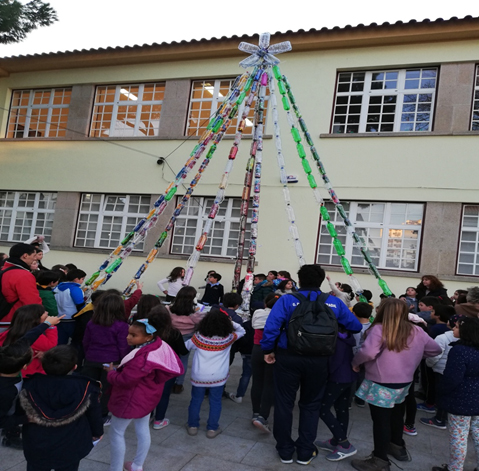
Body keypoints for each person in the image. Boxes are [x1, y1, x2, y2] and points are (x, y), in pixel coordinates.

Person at [261, 264, 362, 465]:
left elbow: (271, 327)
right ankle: (305, 451)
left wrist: (268, 350)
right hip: (320, 359)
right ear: (322, 280)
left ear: (299, 280)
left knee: (284, 403)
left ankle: (285, 450)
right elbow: (356, 326)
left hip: (288, 356)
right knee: (311, 404)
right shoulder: (334, 302)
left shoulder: (287, 300)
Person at [350, 299, 441, 471]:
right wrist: (414, 357)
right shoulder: (416, 330)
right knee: (397, 415)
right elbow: (435, 349)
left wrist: (356, 363)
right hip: (404, 381)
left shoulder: (379, 328)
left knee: (381, 421)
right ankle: (397, 447)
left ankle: (379, 460)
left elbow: (368, 352)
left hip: (381, 381)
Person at [106, 318, 183, 471]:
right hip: (147, 397)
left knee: (116, 432)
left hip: (129, 399)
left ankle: (115, 468)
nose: (128, 337)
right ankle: (137, 465)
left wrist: (111, 373)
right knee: (142, 429)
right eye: (129, 333)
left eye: (133, 335)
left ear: (148, 337)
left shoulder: (141, 358)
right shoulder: (159, 345)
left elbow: (125, 380)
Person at [19, 345, 104, 471]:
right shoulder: (85, 387)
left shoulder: (30, 384)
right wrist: (97, 432)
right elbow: (94, 414)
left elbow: (19, 410)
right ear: (74, 366)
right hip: (71, 444)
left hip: (37, 443)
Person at [0, 314, 62, 449]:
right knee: (12, 412)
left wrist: (46, 324)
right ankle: (10, 437)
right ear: (24, 367)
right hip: (6, 414)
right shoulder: (6, 392)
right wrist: (27, 419)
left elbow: (27, 339)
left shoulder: (7, 354)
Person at [185, 308, 245, 438]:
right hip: (218, 377)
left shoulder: (198, 338)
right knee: (216, 401)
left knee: (196, 400)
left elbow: (186, 347)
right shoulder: (228, 338)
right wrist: (231, 322)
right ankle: (212, 429)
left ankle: (192, 426)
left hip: (199, 376)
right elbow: (242, 330)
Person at [432, 317, 479, 471]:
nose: (453, 329)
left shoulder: (460, 351)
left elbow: (452, 378)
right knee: (477, 434)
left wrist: (440, 392)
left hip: (461, 400)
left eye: (457, 327)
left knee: (459, 437)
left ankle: (455, 468)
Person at [82, 293, 130, 423]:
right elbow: (123, 346)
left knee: (89, 387)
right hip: (111, 362)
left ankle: (85, 411)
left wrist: (88, 355)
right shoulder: (122, 326)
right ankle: (102, 415)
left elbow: (86, 341)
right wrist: (123, 362)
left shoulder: (92, 323)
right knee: (106, 390)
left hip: (91, 358)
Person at [316, 324, 358, 462]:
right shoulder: (347, 337)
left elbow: (334, 361)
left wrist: (325, 374)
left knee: (322, 409)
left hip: (337, 377)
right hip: (348, 376)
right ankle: (336, 441)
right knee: (342, 409)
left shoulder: (336, 339)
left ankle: (344, 444)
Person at [147, 305, 188, 430]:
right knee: (164, 394)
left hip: (149, 366)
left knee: (148, 391)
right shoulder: (174, 333)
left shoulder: (147, 331)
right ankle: (159, 420)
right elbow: (183, 351)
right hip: (168, 368)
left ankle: (147, 416)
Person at [421, 315, 459, 431]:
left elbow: (434, 355)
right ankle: (443, 416)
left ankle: (439, 419)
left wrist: (430, 365)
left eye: (457, 327)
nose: (454, 329)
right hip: (452, 373)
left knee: (441, 395)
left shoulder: (442, 338)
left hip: (441, 370)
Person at [0, 304, 59, 377]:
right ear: (35, 319)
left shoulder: (7, 333)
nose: (47, 313)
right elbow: (51, 345)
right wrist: (50, 326)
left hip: (11, 371)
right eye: (43, 312)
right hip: (30, 373)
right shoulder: (34, 336)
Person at [250, 293, 279, 432]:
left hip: (256, 349)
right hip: (272, 351)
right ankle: (263, 416)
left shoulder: (258, 312)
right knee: (269, 383)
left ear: (265, 303)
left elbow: (253, 325)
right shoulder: (280, 316)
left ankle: (255, 412)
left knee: (257, 381)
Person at [168, 286, 205, 394]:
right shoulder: (195, 313)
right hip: (187, 338)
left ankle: (168, 382)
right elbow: (200, 324)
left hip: (172, 336)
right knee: (183, 360)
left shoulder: (169, 309)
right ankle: (178, 384)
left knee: (170, 359)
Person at [0, 243, 42, 331]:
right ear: (25, 256)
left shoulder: (4, 270)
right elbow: (32, 303)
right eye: (34, 255)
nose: (36, 259)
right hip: (14, 322)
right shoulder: (23, 275)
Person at [54, 268, 87, 344]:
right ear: (76, 279)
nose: (82, 281)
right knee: (76, 341)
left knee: (60, 342)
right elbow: (80, 304)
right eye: (82, 279)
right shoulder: (75, 289)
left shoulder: (56, 288)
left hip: (58, 318)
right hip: (72, 319)